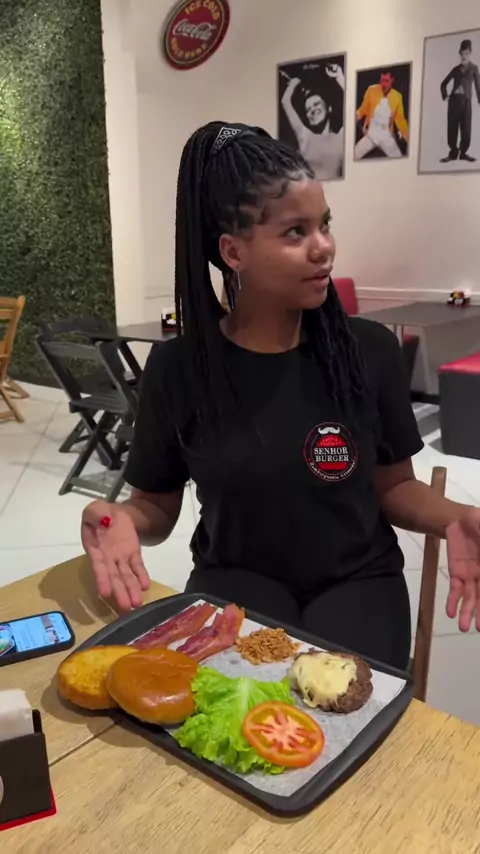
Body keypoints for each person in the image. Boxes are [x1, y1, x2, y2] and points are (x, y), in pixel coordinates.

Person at [82, 121, 480, 670]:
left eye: (325, 225)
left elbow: (394, 486)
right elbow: (156, 506)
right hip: (235, 581)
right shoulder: (178, 369)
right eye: (296, 232)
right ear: (233, 251)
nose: (324, 248)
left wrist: (456, 516)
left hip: (358, 578)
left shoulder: (368, 351)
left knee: (347, 701)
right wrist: (121, 518)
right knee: (237, 711)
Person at [281, 64, 344, 180]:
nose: (312, 110)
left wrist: (340, 77)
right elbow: (285, 102)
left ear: (329, 108)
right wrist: (294, 83)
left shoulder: (341, 137)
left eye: (316, 104)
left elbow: (352, 105)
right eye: (308, 110)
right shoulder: (305, 136)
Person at [440, 38, 480, 163]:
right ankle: (453, 153)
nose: (464, 56)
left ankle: (463, 153)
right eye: (462, 53)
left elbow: (478, 86)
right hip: (454, 102)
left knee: (466, 129)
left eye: (466, 53)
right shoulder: (455, 69)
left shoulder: (474, 68)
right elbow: (443, 84)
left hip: (466, 102)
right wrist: (445, 96)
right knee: (452, 128)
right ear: (459, 54)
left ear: (470, 53)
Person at [355, 70, 408, 159]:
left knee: (398, 158)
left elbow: (400, 120)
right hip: (371, 134)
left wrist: (409, 138)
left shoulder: (397, 97)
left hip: (386, 136)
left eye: (386, 81)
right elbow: (362, 110)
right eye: (382, 80)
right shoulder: (371, 90)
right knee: (354, 154)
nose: (383, 84)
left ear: (392, 80)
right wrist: (353, 118)